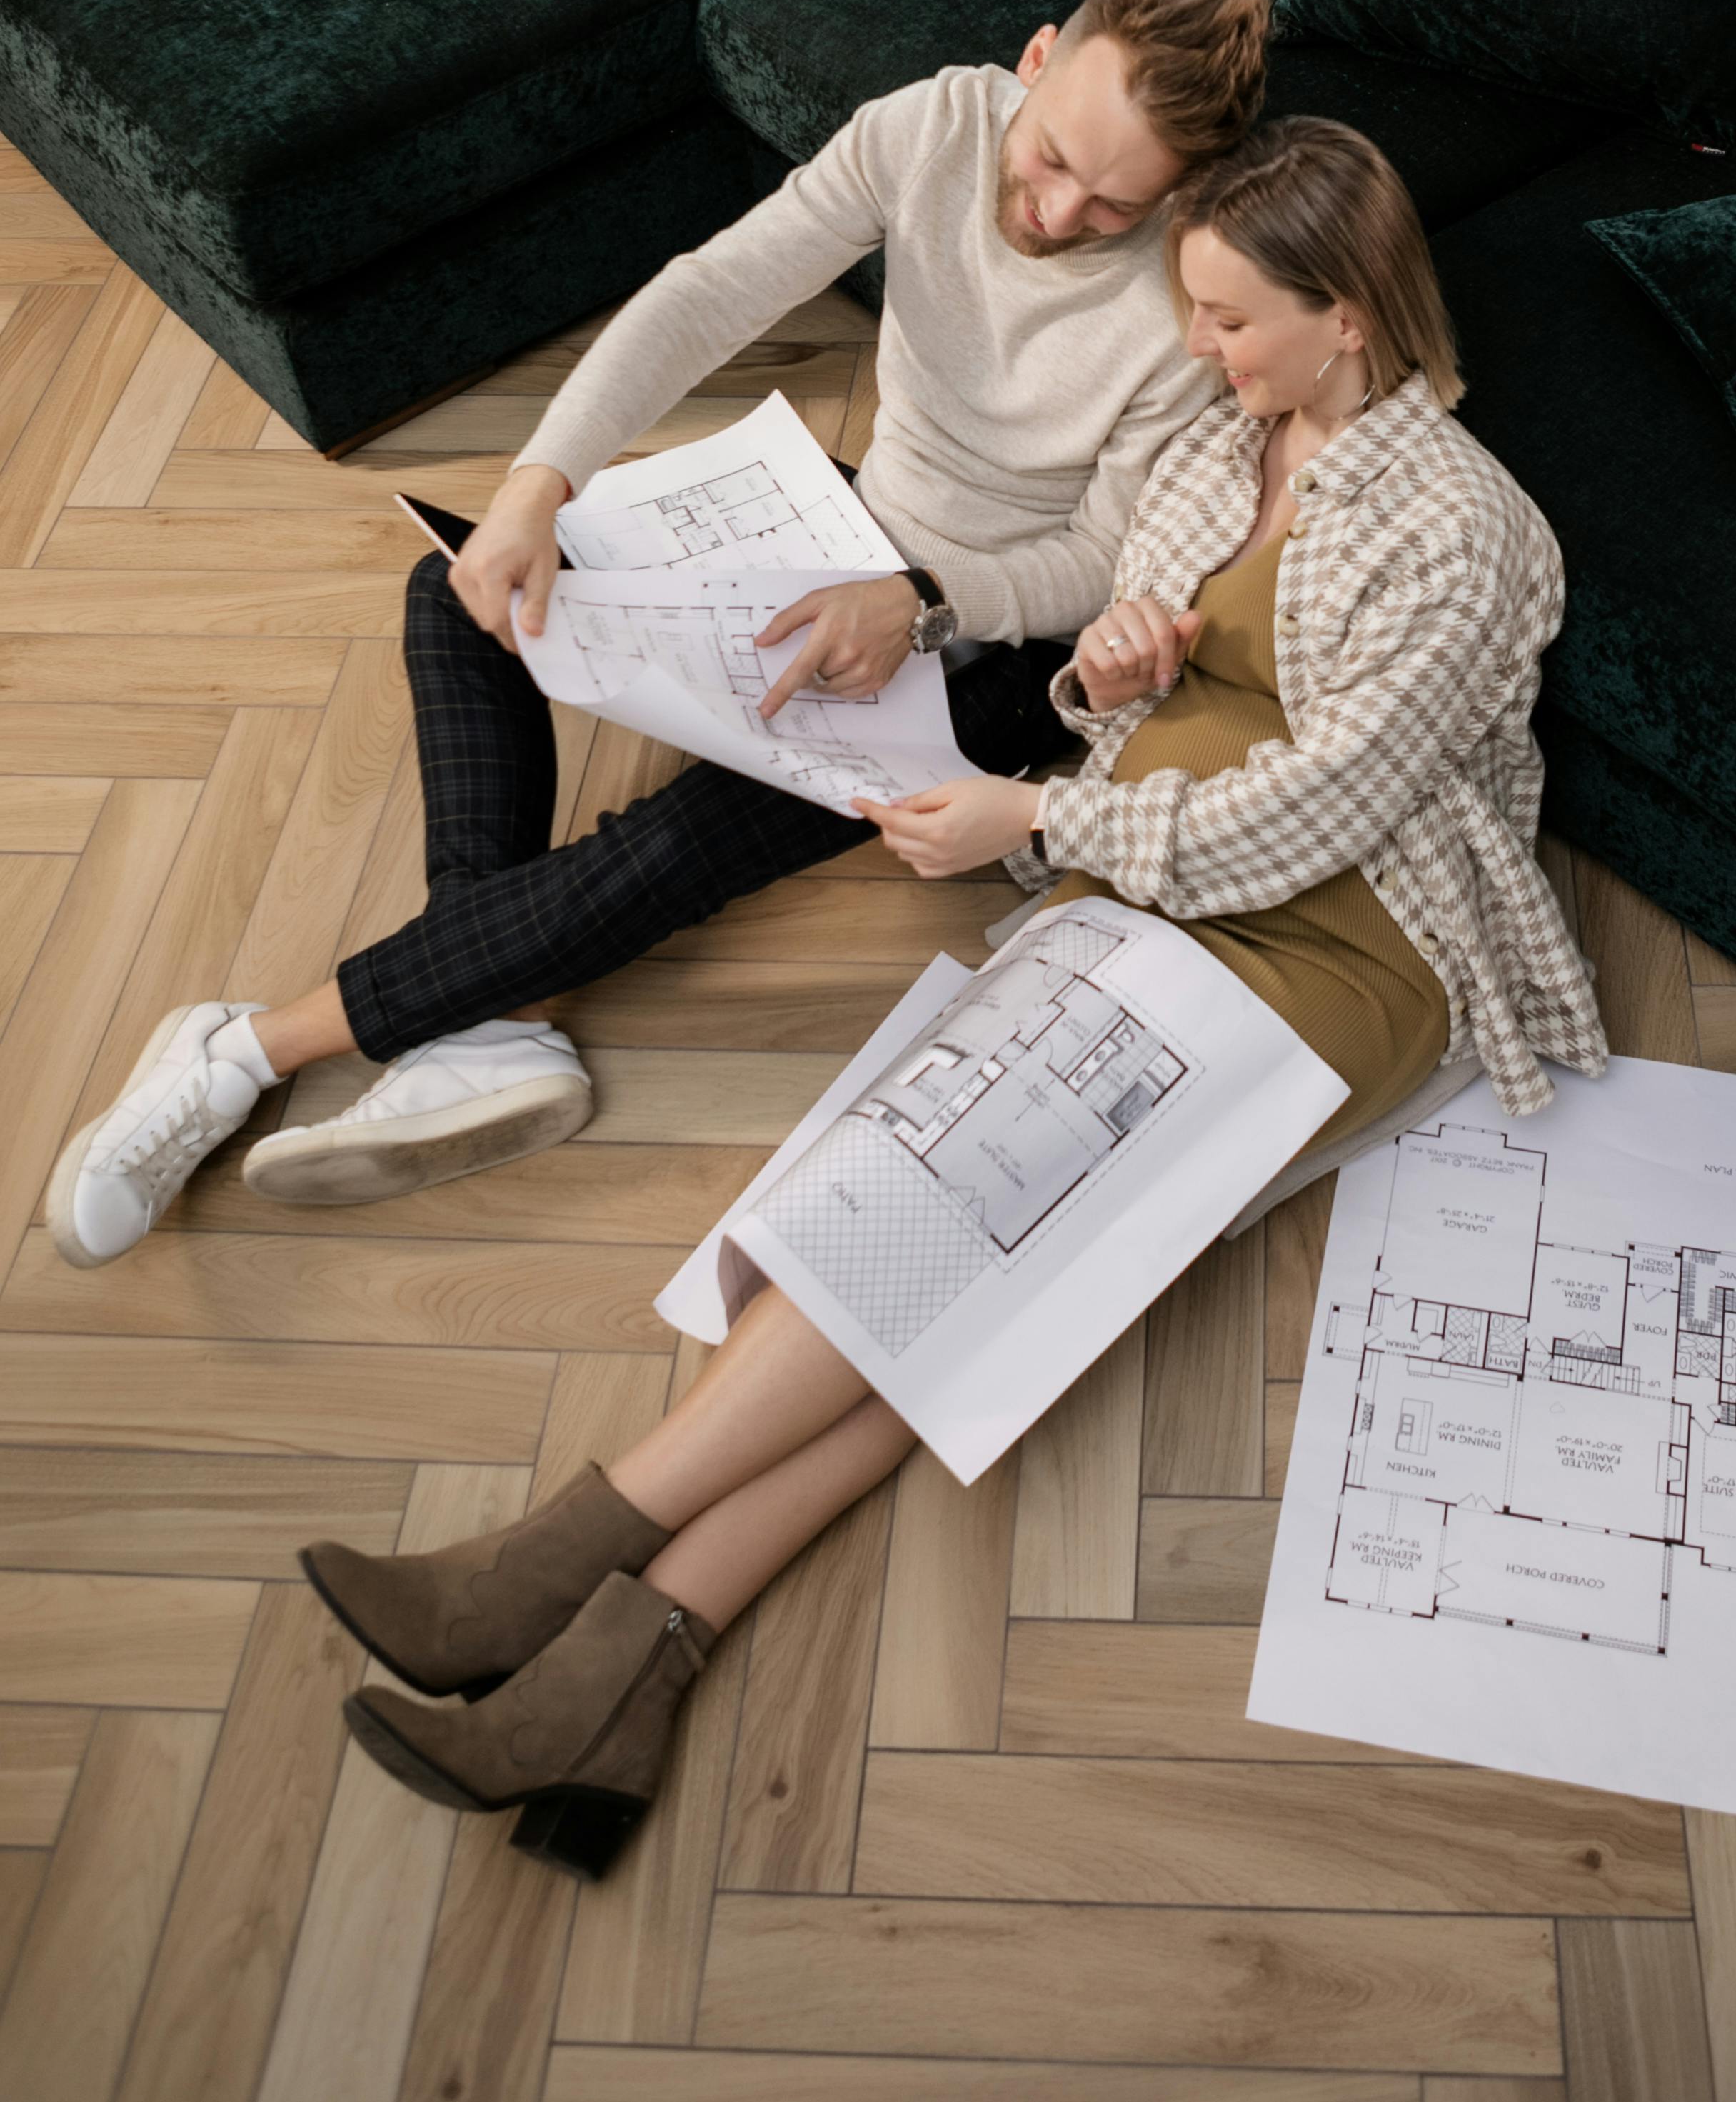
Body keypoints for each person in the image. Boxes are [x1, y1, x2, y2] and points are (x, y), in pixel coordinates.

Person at [295, 117, 1607, 1878]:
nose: (1200, 353)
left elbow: (1324, 806)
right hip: (1150, 872)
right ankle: (621, 1676)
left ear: (1350, 313)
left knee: (957, 1194)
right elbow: (1116, 657)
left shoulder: (1471, 532)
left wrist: (1041, 809)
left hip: (1352, 945)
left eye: (1227, 319)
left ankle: (557, 1559)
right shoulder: (1236, 445)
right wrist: (1114, 662)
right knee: (946, 1218)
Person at [48, 0, 1271, 1267]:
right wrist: (537, 485)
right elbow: (708, 292)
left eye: (1112, 203)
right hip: (842, 525)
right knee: (468, 584)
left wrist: (919, 602)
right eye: (1050, 159)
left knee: (702, 832)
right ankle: (487, 1022)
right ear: (1033, 60)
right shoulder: (930, 122)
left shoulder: (1188, 291)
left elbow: (1103, 553)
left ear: (1180, 194)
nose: (1056, 210)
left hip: (992, 638)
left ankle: (239, 1049)